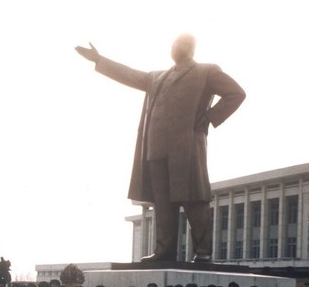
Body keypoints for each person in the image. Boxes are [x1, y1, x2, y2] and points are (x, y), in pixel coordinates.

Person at [76, 34, 245, 263]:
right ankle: (164, 250)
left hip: (187, 148)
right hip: (156, 149)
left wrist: (208, 118)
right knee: (163, 203)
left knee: (194, 199)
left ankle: (203, 251)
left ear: (192, 48)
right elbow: (130, 75)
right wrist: (99, 60)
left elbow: (236, 93)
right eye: (174, 43)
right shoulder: (157, 77)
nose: (177, 46)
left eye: (183, 43)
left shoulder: (206, 71)